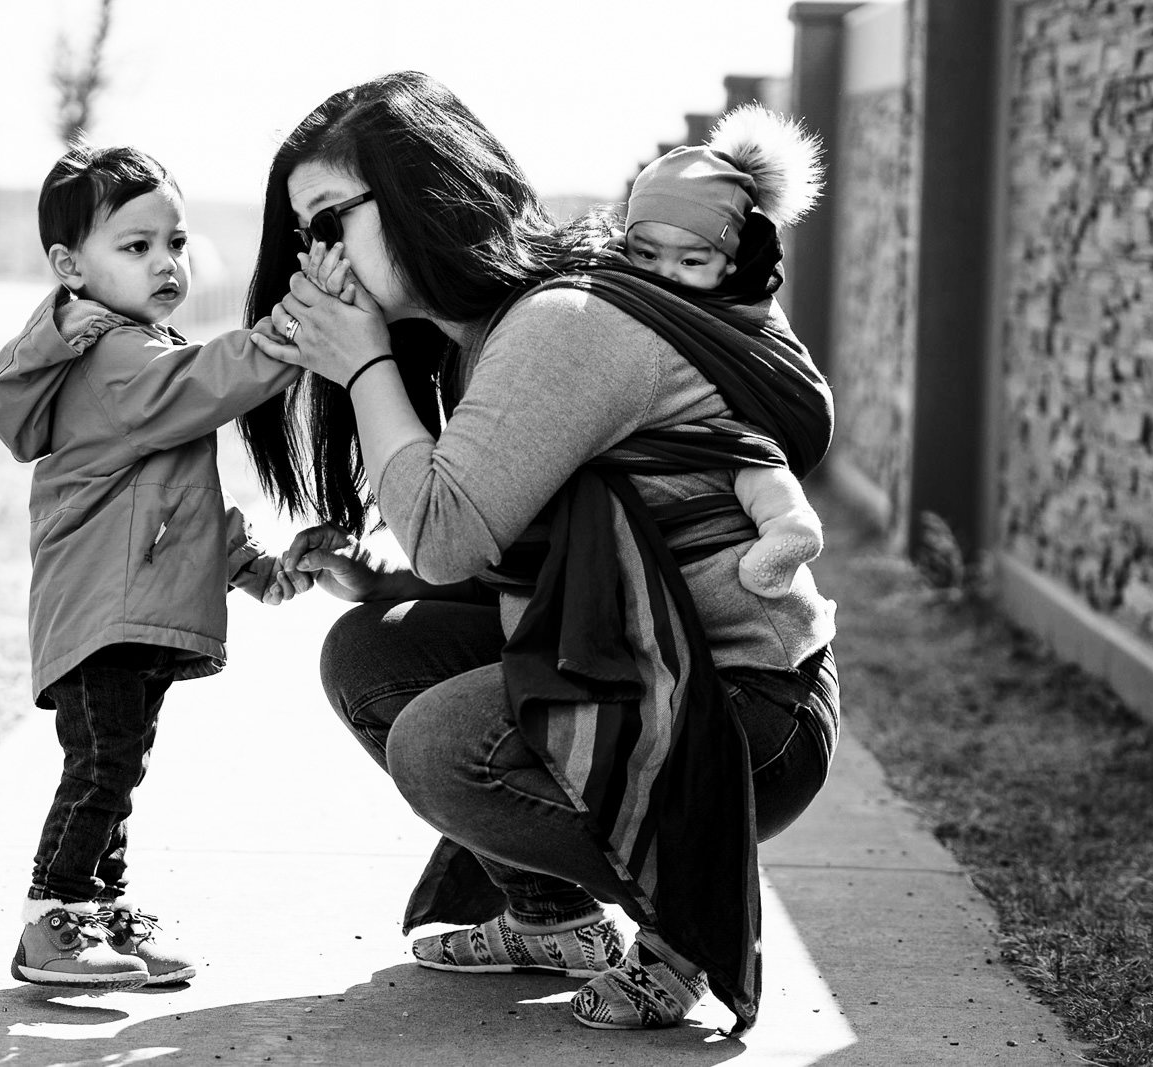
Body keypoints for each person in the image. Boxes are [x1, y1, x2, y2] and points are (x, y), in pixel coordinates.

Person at [238, 72, 839, 1035]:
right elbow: (507, 552)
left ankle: (686, 922)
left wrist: (362, 364)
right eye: (304, 233)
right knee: (372, 650)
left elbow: (446, 533)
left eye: (328, 220)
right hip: (645, 665)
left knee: (442, 746)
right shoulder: (486, 333)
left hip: (738, 711)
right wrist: (376, 574)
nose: (316, 258)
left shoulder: (562, 326)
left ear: (420, 195)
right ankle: (553, 920)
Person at [0, 143, 301, 990]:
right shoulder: (114, 356)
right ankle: (52, 919)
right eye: (136, 246)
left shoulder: (142, 347)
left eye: (176, 243)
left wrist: (248, 562)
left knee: (117, 767)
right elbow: (210, 381)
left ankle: (101, 911)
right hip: (102, 607)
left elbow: (174, 497)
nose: (166, 263)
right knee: (104, 766)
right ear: (70, 267)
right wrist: (291, 332)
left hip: (129, 602)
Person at [622, 104, 826, 598]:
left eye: (691, 261)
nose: (664, 273)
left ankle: (789, 526)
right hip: (670, 441)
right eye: (645, 253)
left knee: (751, 457)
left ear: (729, 265)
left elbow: (771, 363)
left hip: (732, 434)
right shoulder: (619, 290)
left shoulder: (741, 306)